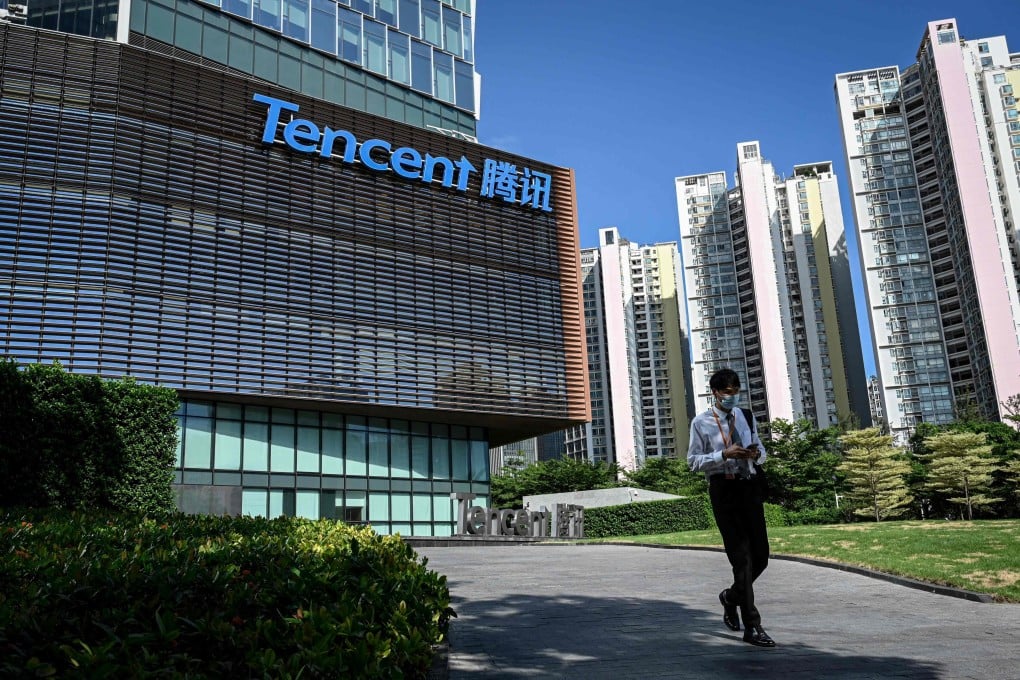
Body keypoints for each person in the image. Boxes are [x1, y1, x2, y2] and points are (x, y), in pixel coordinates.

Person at [687, 367, 775, 647]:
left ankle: (731, 597)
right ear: (714, 393)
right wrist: (723, 453)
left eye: (735, 392)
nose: (732, 398)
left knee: (761, 555)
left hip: (748, 485)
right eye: (727, 393)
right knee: (742, 558)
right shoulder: (701, 423)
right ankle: (753, 626)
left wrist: (756, 454)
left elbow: (760, 449)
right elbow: (693, 462)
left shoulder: (745, 415)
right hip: (723, 489)